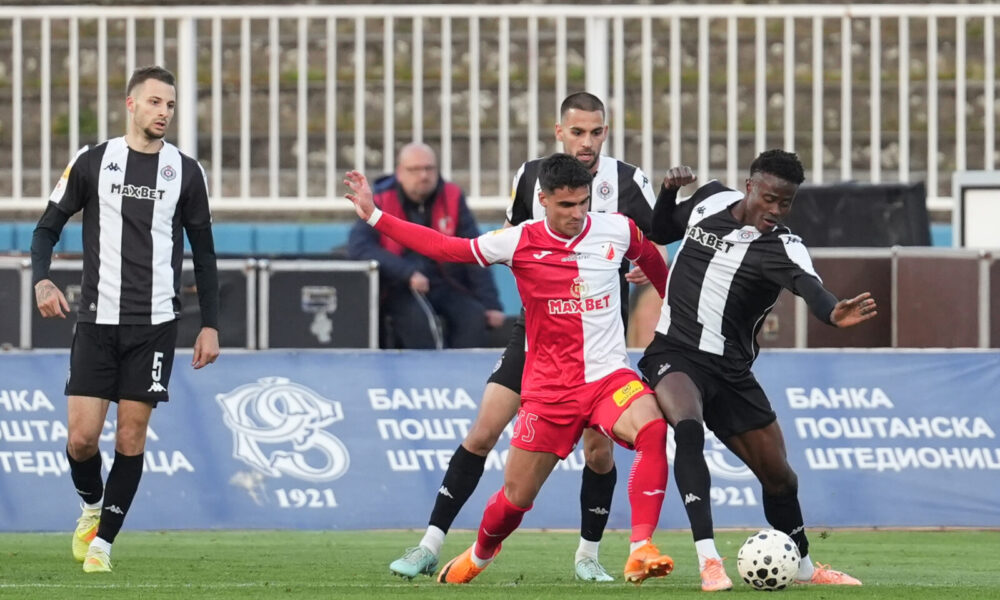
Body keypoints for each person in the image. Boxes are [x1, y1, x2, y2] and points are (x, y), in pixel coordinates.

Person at [347, 154, 675, 585]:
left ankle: (640, 548)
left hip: (607, 378)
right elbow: (448, 248)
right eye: (566, 206)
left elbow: (651, 257)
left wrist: (665, 299)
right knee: (516, 499)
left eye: (582, 203)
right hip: (549, 390)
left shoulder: (617, 228)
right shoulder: (518, 240)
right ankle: (478, 555)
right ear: (543, 200)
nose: (577, 214)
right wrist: (374, 216)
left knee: (653, 429)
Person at [639, 150, 873, 591]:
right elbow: (661, 229)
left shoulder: (783, 247)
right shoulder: (708, 201)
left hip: (730, 374)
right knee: (687, 429)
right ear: (749, 187)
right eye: (769, 198)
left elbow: (811, 288)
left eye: (785, 203)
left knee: (780, 477)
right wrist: (668, 193)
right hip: (674, 353)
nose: (775, 210)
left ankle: (803, 566)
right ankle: (709, 561)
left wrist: (831, 313)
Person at [30, 65, 220, 574]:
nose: (164, 112)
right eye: (155, 102)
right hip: (96, 322)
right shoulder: (94, 161)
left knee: (130, 439)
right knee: (81, 440)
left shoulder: (187, 171)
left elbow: (204, 254)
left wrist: (210, 324)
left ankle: (103, 546)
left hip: (155, 325)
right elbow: (47, 228)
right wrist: (43, 279)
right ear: (131, 104)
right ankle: (91, 506)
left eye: (171, 105)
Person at [347, 142, 504, 349]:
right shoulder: (381, 199)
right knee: (417, 323)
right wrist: (407, 273)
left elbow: (474, 251)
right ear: (400, 173)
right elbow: (359, 247)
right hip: (400, 287)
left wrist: (490, 304)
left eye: (429, 168)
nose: (423, 175)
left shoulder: (452, 197)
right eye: (415, 169)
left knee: (472, 316)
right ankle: (426, 380)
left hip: (445, 283)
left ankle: (465, 379)